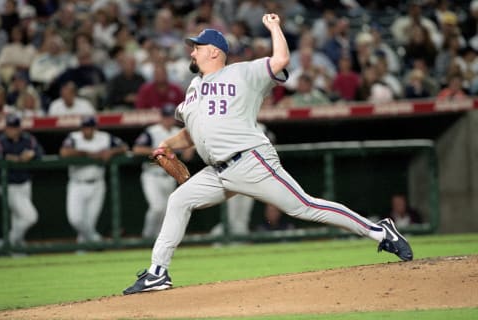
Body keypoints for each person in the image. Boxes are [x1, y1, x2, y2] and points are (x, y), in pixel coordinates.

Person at [123, 14, 414, 295]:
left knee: (304, 207)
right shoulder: (194, 88)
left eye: (196, 47)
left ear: (213, 51)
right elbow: (192, 132)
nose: (192, 53)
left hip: (250, 160)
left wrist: (274, 27)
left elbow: (281, 61)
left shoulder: (242, 72)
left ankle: (379, 231)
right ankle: (157, 272)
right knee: (178, 201)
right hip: (218, 172)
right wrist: (168, 145)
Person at [59, 115, 128, 243]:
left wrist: (111, 152)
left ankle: (82, 251)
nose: (87, 130)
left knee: (89, 222)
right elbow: (64, 152)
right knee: (76, 219)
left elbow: (124, 147)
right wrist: (88, 154)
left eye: (90, 127)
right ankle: (96, 239)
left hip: (97, 184)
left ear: (94, 128)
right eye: (85, 127)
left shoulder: (104, 137)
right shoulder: (74, 137)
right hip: (77, 184)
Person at [132, 104, 194, 239]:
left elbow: (187, 155)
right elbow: (137, 149)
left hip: (170, 176)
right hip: (152, 175)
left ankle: (160, 239)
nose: (168, 120)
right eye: (166, 117)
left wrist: (189, 148)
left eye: (170, 117)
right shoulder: (152, 131)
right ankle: (147, 236)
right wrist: (159, 151)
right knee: (157, 207)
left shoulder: (177, 133)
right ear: (161, 117)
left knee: (167, 211)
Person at [0, 114, 43, 246]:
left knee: (18, 217)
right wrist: (13, 158)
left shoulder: (28, 139)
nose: (12, 130)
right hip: (8, 185)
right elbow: (1, 157)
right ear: (6, 128)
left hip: (25, 184)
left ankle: (16, 247)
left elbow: (40, 152)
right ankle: (8, 242)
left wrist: (32, 154)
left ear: (19, 128)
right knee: (30, 217)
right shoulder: (0, 141)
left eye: (15, 127)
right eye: (10, 127)